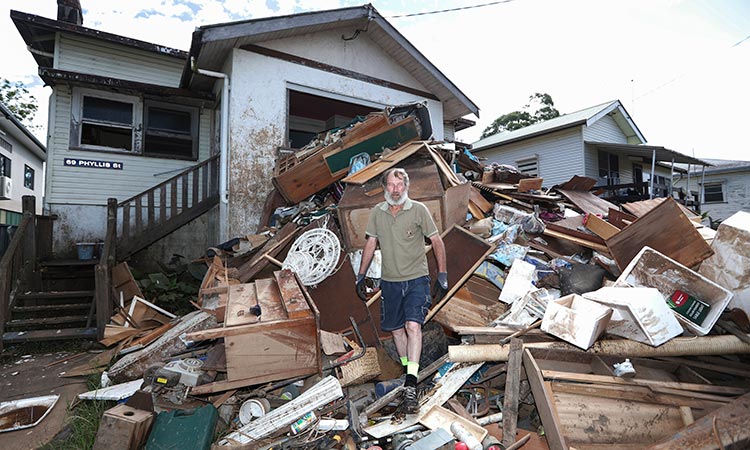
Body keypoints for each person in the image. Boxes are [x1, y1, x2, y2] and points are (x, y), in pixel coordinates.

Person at [356, 167, 448, 414]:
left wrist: (442, 274)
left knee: (412, 326)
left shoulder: (418, 210)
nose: (395, 190)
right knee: (396, 330)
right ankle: (410, 370)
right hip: (390, 282)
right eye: (391, 185)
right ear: (385, 187)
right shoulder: (378, 212)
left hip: (416, 279)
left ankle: (410, 382)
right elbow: (370, 243)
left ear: (406, 187)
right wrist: (361, 274)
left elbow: (437, 241)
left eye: (399, 185)